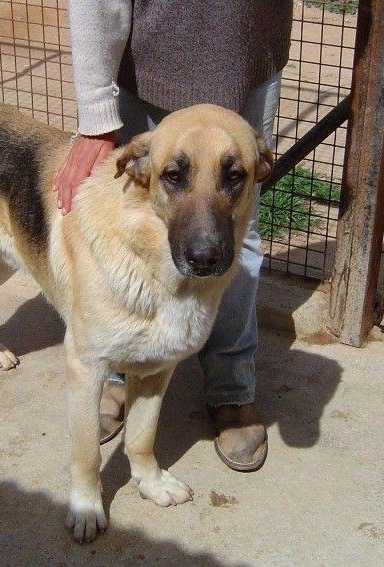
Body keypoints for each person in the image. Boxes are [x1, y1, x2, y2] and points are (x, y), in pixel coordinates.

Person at [55, 1, 293, 472]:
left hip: (250, 59)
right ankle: (122, 367)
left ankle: (230, 387)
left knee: (238, 242)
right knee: (134, 225)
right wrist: (97, 112)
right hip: (148, 63)